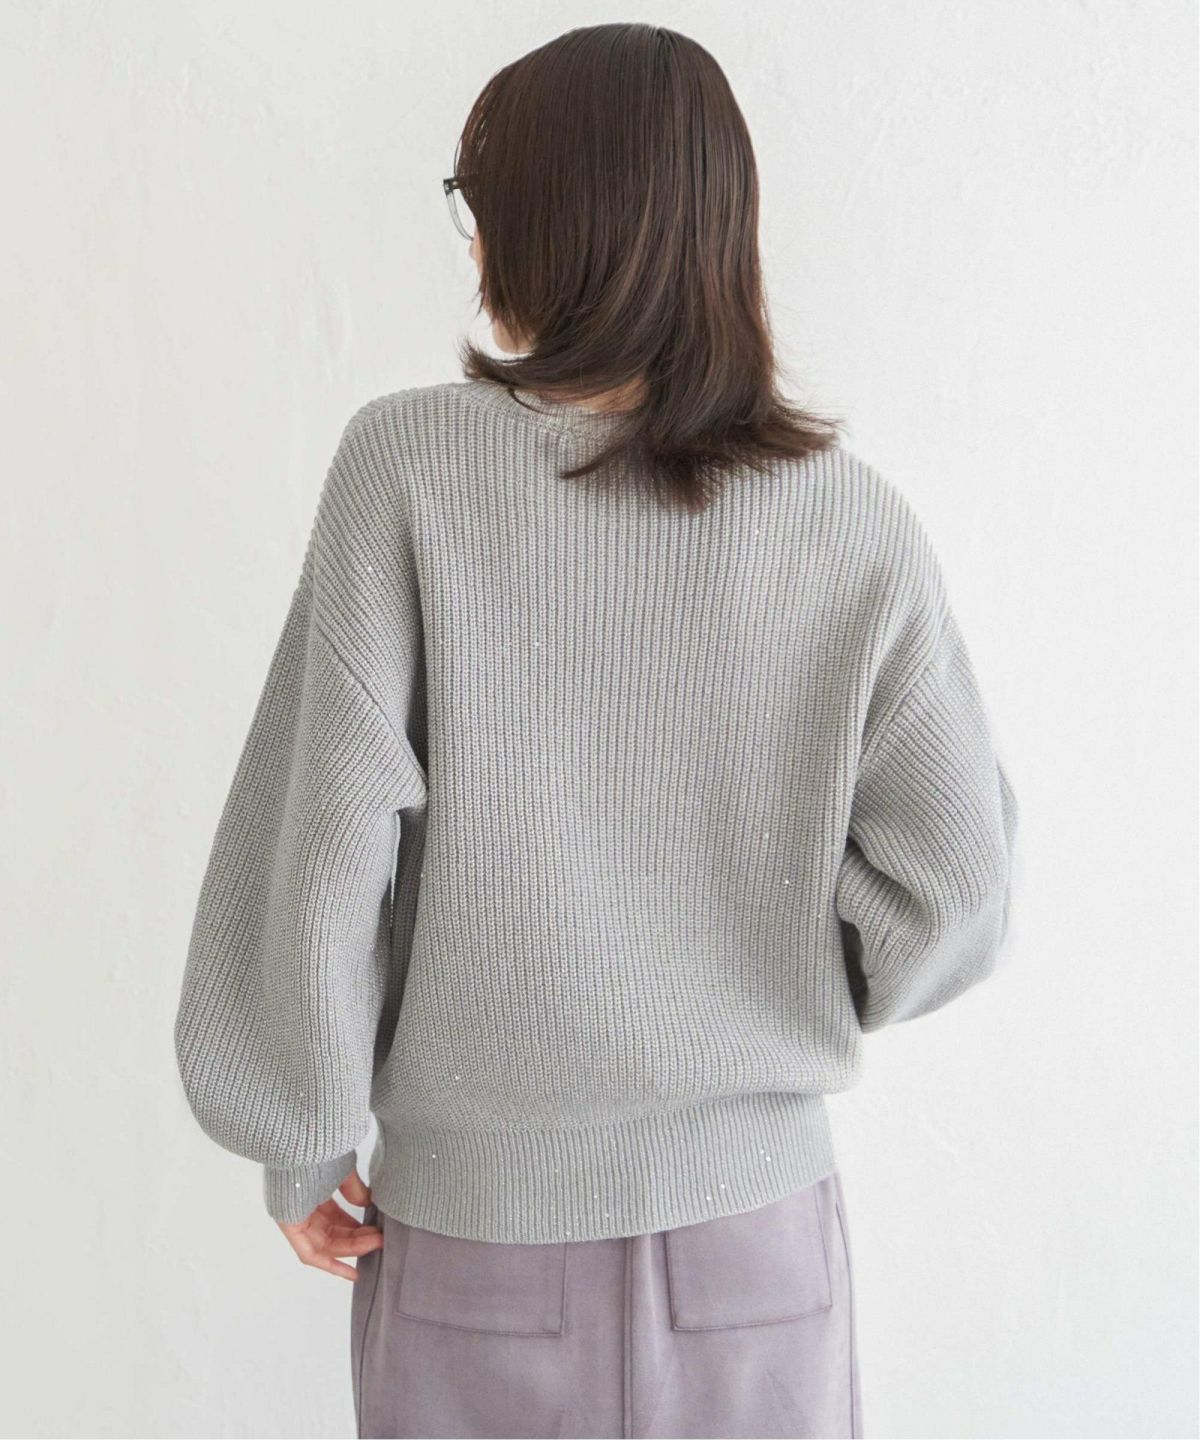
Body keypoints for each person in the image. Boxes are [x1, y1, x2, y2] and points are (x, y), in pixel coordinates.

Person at [173, 22, 1018, 1440]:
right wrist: (769, 980)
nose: (473, 237)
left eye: (478, 199)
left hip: (475, 1252)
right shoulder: (850, 519)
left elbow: (327, 835)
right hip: (758, 1250)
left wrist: (300, 1136)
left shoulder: (410, 468)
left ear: (546, 223)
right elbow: (960, 886)